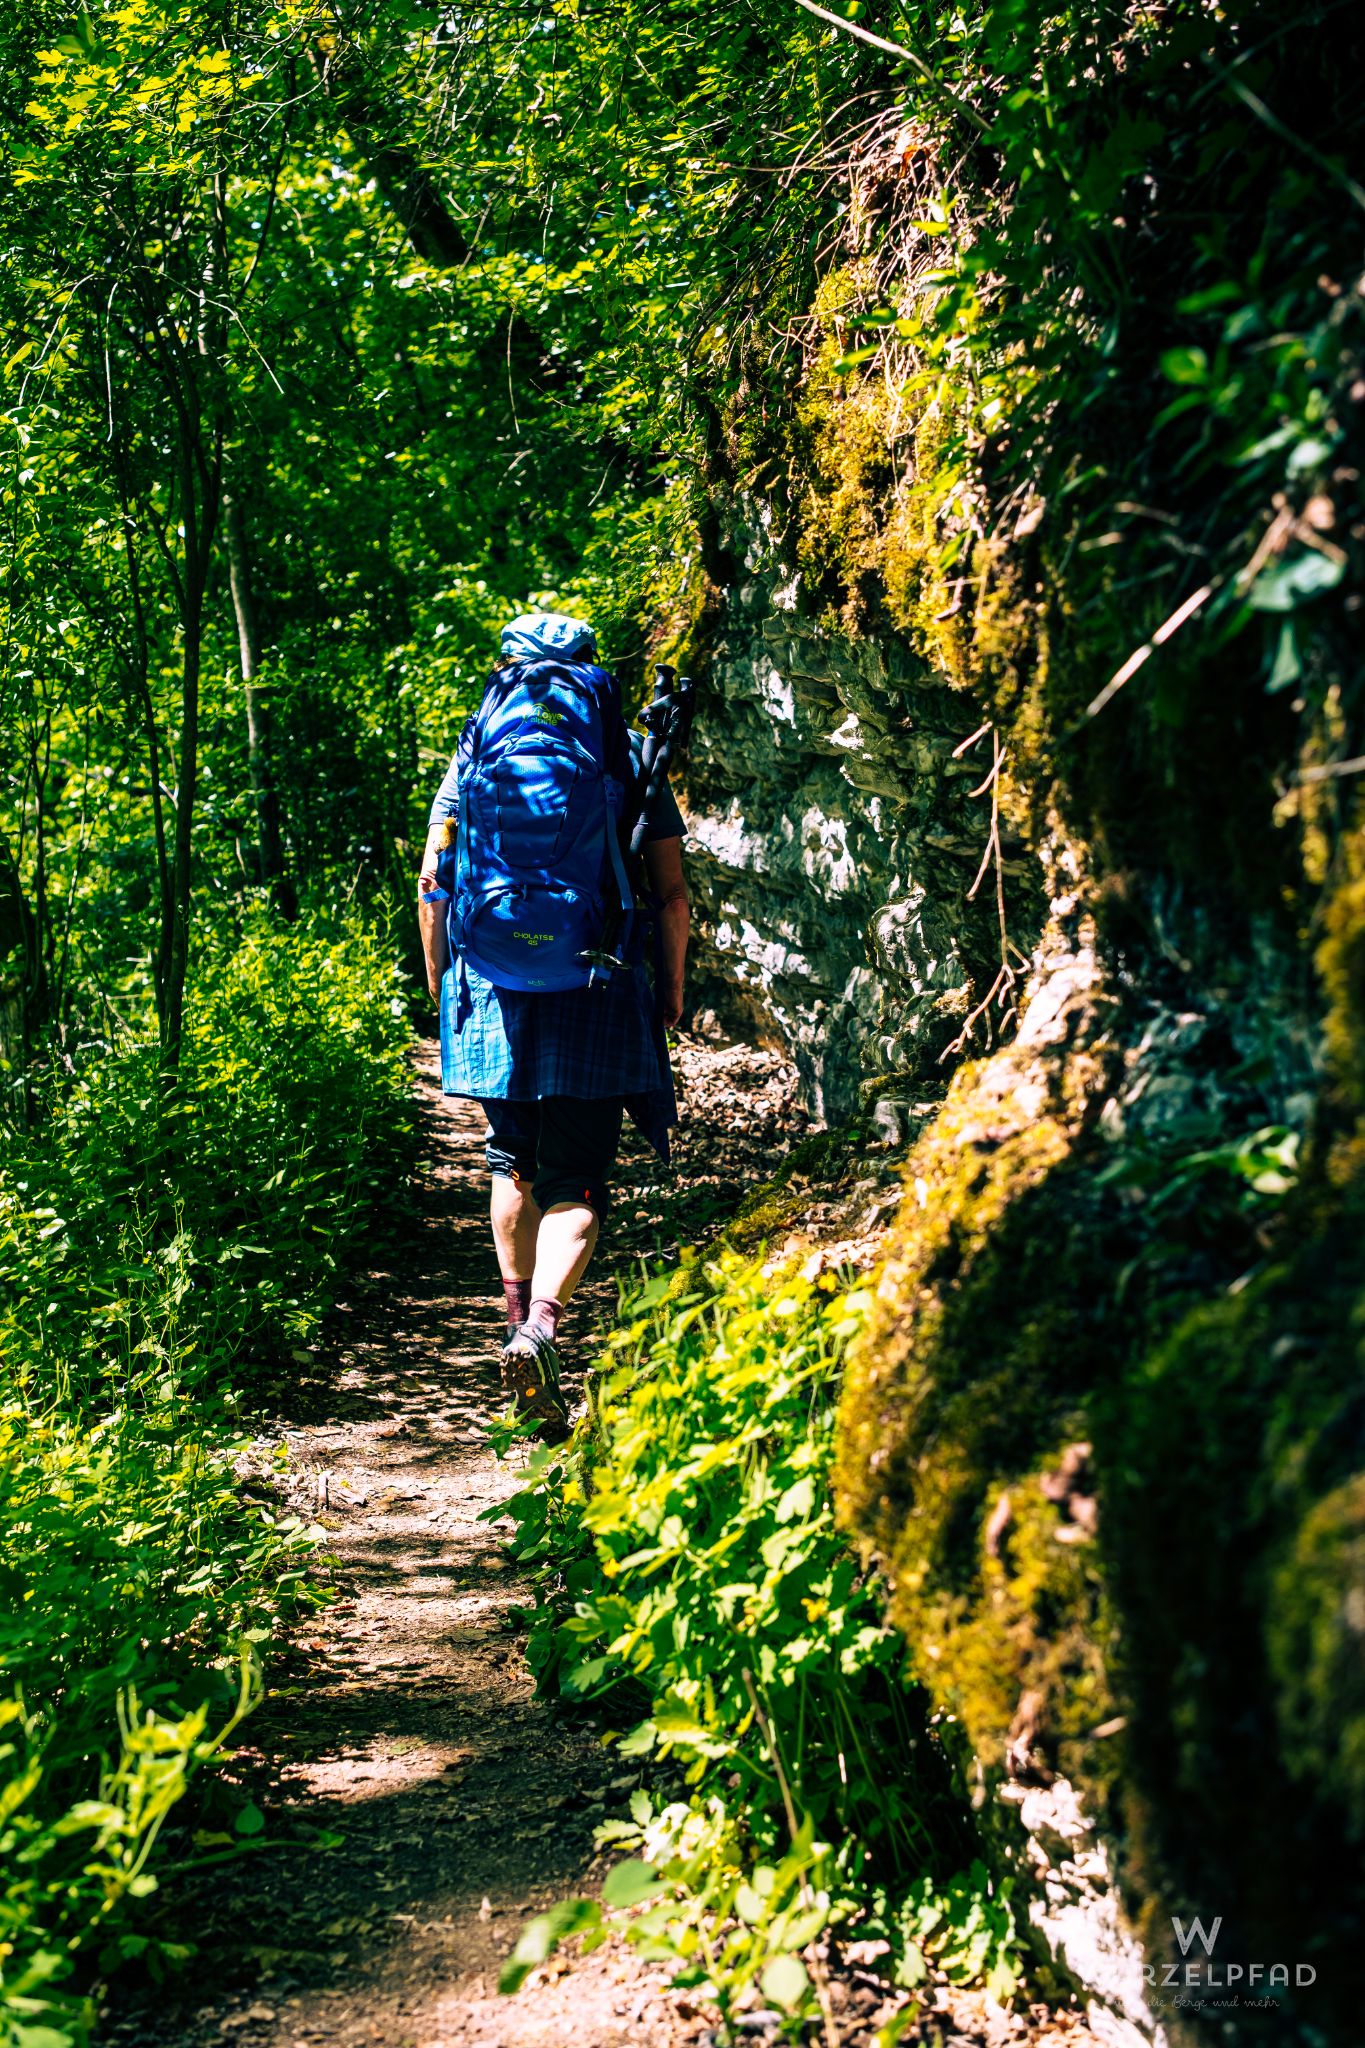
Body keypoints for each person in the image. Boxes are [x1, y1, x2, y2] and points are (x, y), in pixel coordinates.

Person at [417, 611, 689, 1442]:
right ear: (591, 673)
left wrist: (443, 987)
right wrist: (669, 993)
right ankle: (541, 1328)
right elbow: (670, 893)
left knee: (512, 1160)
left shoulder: (471, 754)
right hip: (596, 980)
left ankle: (510, 1327)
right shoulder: (627, 754)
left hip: (491, 982)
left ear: (504, 669)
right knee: (577, 1178)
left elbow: (433, 880)